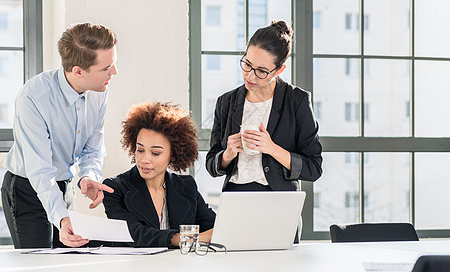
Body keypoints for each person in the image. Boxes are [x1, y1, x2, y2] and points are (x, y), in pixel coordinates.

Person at [1, 23, 117, 248]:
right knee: (38, 263)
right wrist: (62, 218)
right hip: (27, 188)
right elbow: (40, 170)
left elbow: (93, 149)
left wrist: (88, 176)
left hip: (64, 185)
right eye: (106, 68)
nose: (114, 72)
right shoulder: (34, 97)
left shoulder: (99, 90)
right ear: (78, 71)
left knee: (69, 256)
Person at [205, 21, 322, 196]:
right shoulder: (226, 101)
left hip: (280, 199)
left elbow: (313, 168)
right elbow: (211, 165)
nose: (250, 76)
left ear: (279, 70)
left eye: (261, 70)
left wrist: (271, 148)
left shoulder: (297, 100)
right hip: (235, 197)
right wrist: (228, 154)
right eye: (247, 64)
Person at [103, 102, 215, 248]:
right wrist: (188, 239)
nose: (144, 159)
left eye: (155, 153)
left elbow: (214, 228)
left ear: (173, 155)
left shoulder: (186, 186)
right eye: (140, 150)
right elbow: (134, 235)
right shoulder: (115, 188)